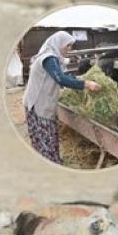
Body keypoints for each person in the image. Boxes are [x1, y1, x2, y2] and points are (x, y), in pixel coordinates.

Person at [22, 31, 101, 164]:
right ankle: (50, 163)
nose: (69, 49)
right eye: (67, 46)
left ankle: (52, 160)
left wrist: (82, 79)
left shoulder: (53, 58)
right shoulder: (49, 58)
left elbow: (63, 76)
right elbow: (62, 79)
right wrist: (86, 84)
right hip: (37, 103)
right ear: (58, 44)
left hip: (40, 101)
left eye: (71, 46)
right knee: (45, 137)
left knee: (49, 135)